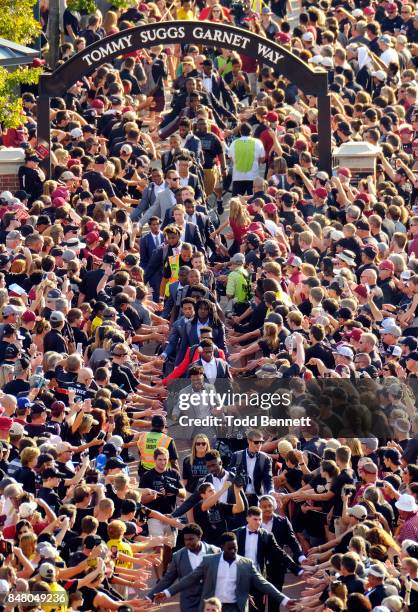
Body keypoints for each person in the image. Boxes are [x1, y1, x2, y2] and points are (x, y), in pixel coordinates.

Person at [153, 531, 293, 610]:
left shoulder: (246, 564)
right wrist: (167, 592)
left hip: (236, 608)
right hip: (213, 607)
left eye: (235, 548)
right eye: (229, 548)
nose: (233, 551)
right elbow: (190, 578)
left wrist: (285, 600)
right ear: (222, 546)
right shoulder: (209, 561)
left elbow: (264, 584)